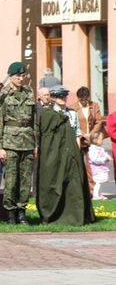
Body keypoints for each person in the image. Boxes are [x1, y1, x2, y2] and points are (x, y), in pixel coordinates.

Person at [35, 85, 95, 226]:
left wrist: (77, 153)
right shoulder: (46, 113)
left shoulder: (72, 113)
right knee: (53, 180)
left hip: (71, 151)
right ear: (54, 98)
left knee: (73, 182)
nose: (63, 98)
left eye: (64, 96)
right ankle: (53, 214)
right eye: (60, 96)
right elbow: (43, 135)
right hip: (53, 153)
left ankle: (74, 215)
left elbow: (76, 134)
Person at [0, 62, 37, 224]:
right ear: (10, 77)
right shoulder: (4, 94)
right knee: (11, 180)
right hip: (9, 142)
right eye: (17, 76)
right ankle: (10, 213)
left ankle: (22, 211)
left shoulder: (28, 92)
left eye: (22, 75)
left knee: (26, 179)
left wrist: (35, 144)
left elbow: (34, 121)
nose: (20, 78)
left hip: (27, 142)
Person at [72, 86, 103, 196]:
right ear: (78, 98)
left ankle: (92, 190)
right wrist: (82, 134)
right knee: (81, 165)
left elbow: (98, 121)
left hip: (92, 139)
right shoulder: (73, 108)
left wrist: (91, 134)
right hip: (80, 140)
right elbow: (73, 124)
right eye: (82, 99)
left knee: (92, 166)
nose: (84, 102)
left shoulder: (94, 106)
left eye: (86, 99)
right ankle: (81, 190)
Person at [88, 131, 111, 200]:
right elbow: (94, 159)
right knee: (98, 182)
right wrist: (104, 159)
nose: (102, 141)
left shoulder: (100, 148)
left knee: (100, 182)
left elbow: (104, 153)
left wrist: (107, 157)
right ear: (95, 140)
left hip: (101, 169)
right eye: (101, 139)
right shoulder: (93, 149)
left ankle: (99, 194)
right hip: (97, 169)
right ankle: (95, 195)